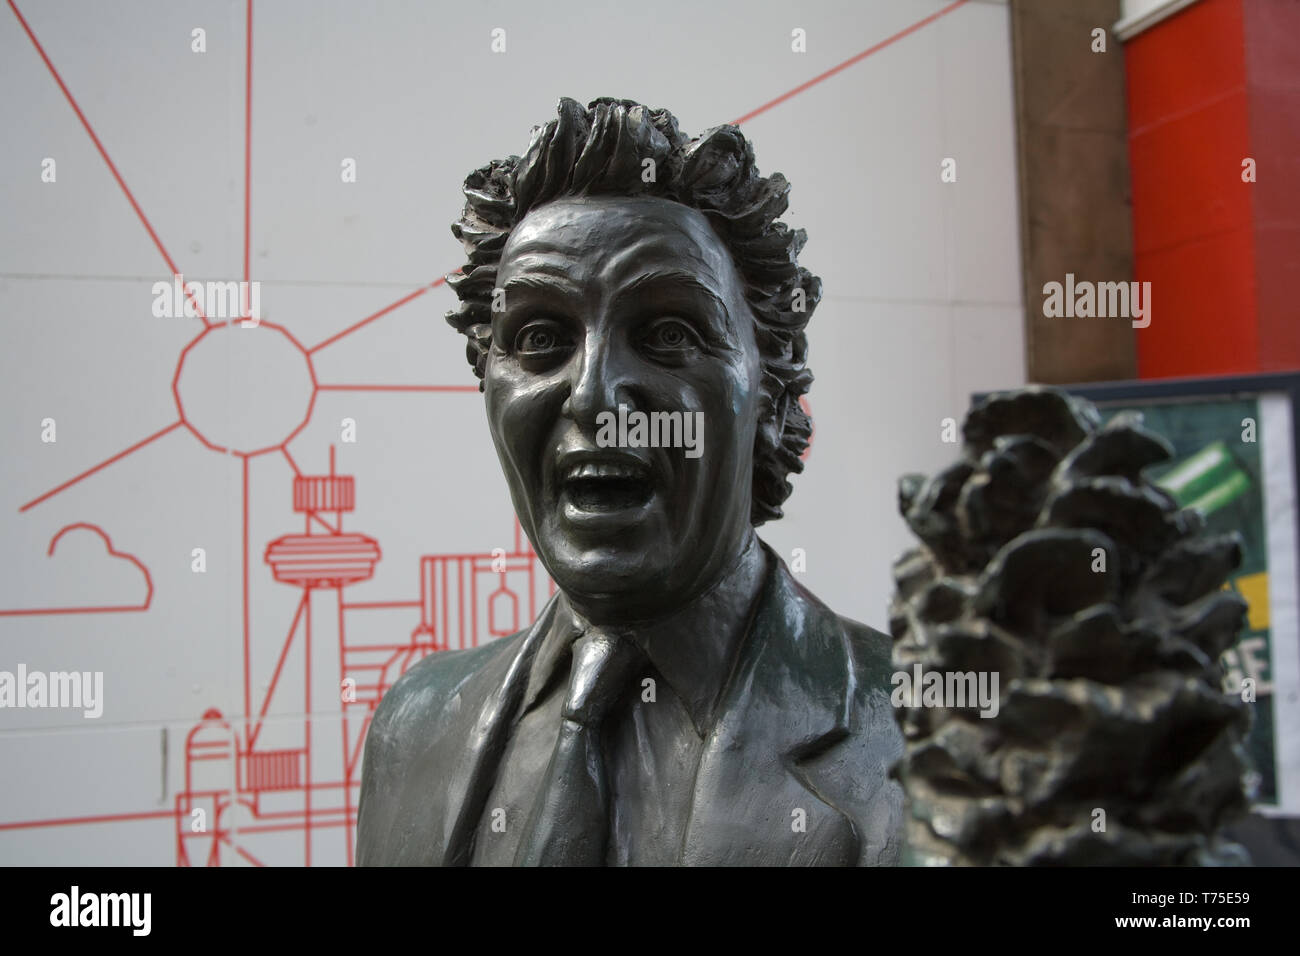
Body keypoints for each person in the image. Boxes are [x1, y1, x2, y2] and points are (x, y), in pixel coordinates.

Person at [356, 97, 903, 866]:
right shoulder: (412, 725)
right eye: (540, 340)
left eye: (668, 334)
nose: (591, 396)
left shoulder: (933, 735)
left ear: (772, 404)